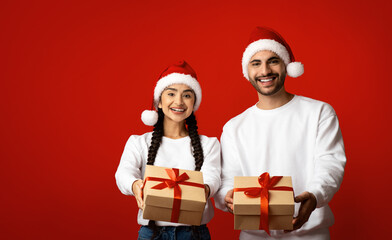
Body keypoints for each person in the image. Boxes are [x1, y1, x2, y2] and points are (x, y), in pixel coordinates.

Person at [215, 26, 347, 239]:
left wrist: (314, 196)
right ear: (247, 71)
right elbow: (227, 179)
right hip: (254, 234)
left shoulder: (319, 112)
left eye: (273, 61)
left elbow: (330, 164)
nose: (265, 71)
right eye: (256, 63)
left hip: (310, 234)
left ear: (287, 65)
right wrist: (227, 197)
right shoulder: (234, 127)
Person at [115, 60, 221, 240]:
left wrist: (203, 189)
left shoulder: (209, 144)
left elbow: (212, 176)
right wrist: (135, 185)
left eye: (187, 95)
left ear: (194, 102)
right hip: (151, 233)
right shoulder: (139, 142)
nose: (179, 101)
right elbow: (123, 173)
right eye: (171, 93)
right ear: (160, 102)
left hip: (195, 234)